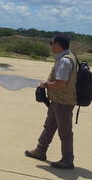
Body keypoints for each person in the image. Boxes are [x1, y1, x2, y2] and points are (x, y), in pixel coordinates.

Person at [25, 34, 79, 169]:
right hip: (57, 100)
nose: (50, 45)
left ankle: (67, 159)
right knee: (49, 126)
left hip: (63, 102)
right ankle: (40, 150)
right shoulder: (69, 57)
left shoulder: (65, 61)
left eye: (52, 43)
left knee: (65, 131)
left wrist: (45, 85)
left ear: (58, 44)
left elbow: (61, 83)